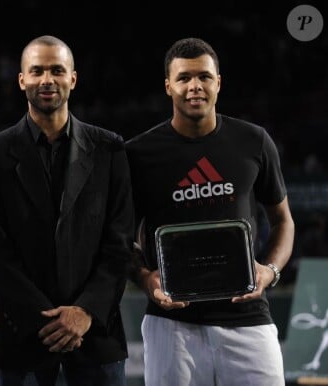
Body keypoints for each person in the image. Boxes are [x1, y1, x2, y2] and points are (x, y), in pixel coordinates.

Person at [125, 37, 295, 386]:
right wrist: (145, 279)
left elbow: (283, 221)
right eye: (184, 78)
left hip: (248, 319)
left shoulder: (254, 141)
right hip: (172, 324)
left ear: (218, 82)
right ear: (168, 86)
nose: (194, 86)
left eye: (203, 76)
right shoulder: (138, 154)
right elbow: (117, 238)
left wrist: (270, 272)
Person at [0, 35, 134, 386]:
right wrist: (44, 320)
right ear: (21, 80)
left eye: (57, 70)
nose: (47, 79)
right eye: (37, 70)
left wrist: (85, 311)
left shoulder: (110, 149)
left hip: (96, 335)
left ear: (72, 79)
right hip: (25, 338)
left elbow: (119, 242)